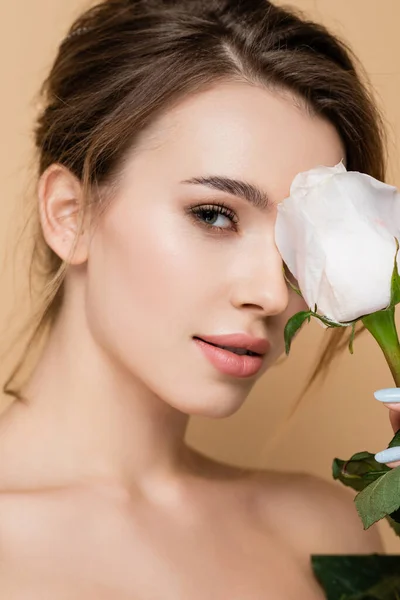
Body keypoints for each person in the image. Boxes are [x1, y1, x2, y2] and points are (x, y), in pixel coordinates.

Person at [0, 0, 395, 597]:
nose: (270, 293)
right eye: (213, 215)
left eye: (297, 246)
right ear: (71, 214)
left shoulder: (328, 529)